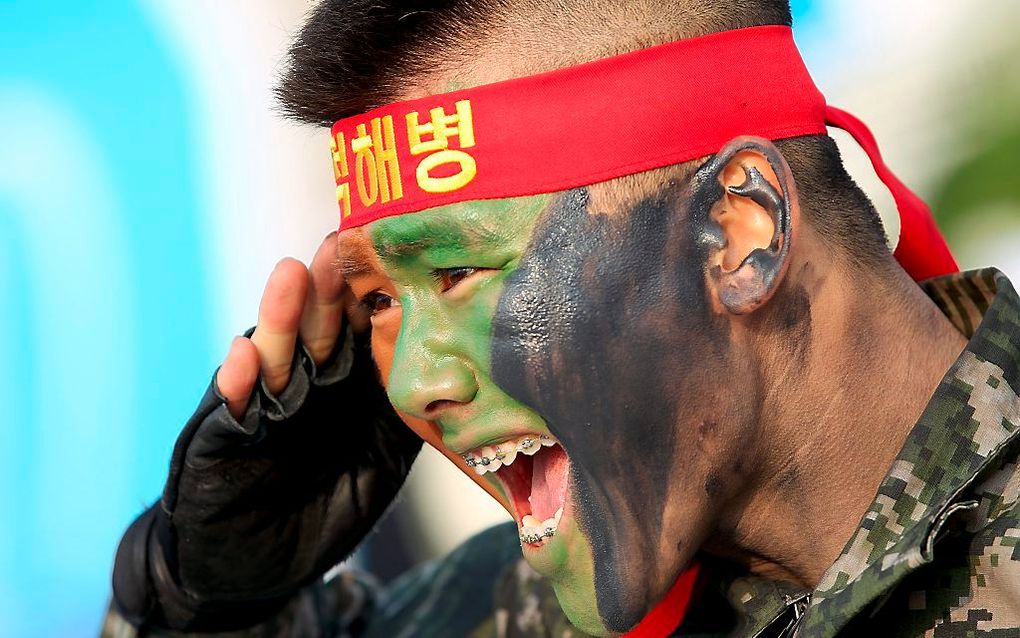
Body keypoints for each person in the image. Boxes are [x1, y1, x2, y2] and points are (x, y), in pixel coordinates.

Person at [103, 1, 1020, 636]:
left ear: (741, 234)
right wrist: (200, 601)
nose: (416, 380)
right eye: (381, 301)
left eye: (459, 270)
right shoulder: (530, 608)